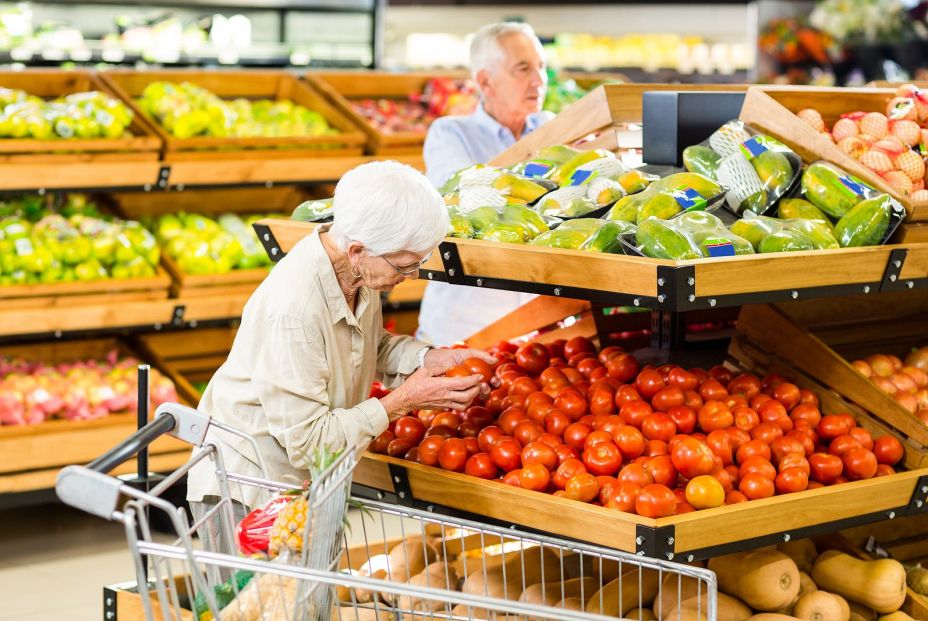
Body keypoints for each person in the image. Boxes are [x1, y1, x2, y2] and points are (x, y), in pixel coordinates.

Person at [185, 161, 495, 535]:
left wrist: (426, 358)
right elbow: (307, 441)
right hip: (250, 490)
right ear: (358, 250)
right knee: (258, 596)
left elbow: (366, 344)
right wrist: (401, 401)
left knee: (312, 595)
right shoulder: (294, 311)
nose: (412, 275)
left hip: (307, 485)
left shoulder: (358, 272)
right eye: (406, 265)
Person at [416, 21, 554, 347]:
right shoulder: (450, 133)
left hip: (542, 328)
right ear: (485, 81)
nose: (539, 80)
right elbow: (469, 198)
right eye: (523, 68)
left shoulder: (550, 127)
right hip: (464, 328)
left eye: (542, 67)